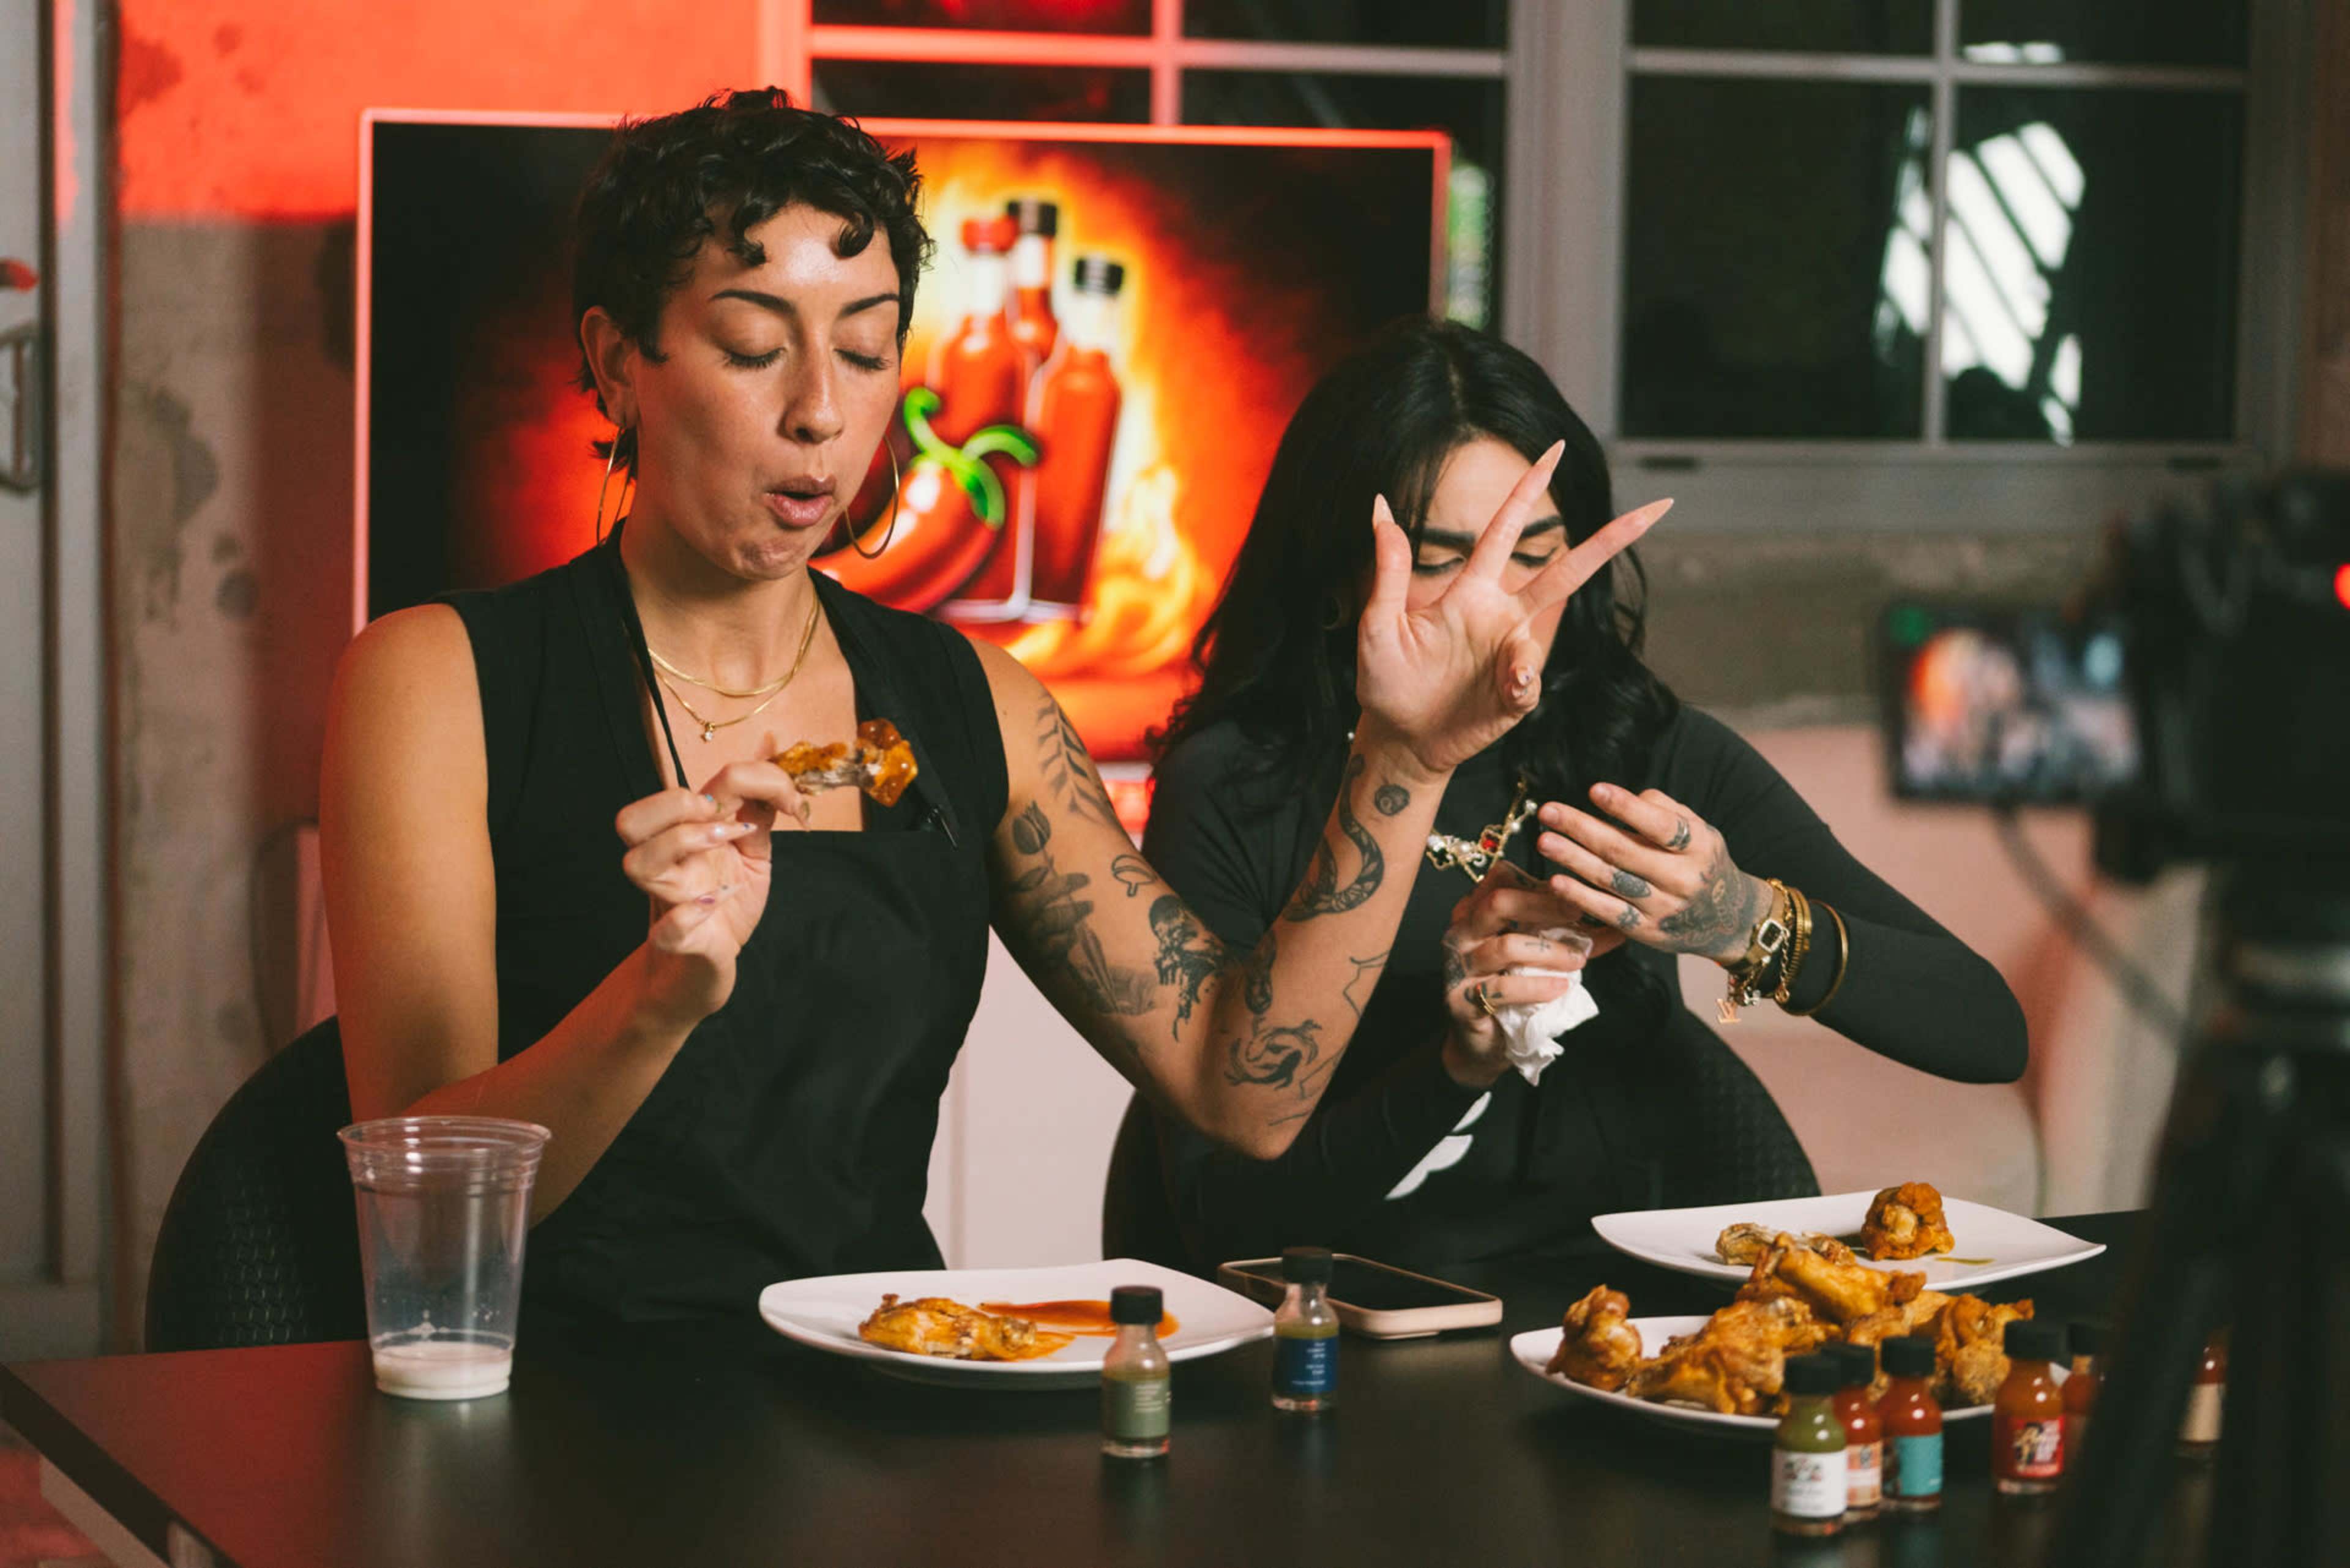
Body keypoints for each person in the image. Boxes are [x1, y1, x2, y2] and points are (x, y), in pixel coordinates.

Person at [316, 92, 1659, 1324]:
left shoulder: (971, 708)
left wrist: (1407, 760)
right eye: (749, 347)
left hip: (884, 1393)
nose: (819, 415)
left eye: (864, 347)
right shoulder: (437, 681)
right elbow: (425, 1224)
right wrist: (658, 1000)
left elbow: (1242, 1091)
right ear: (617, 364)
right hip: (544, 1411)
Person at [1131, 319, 2027, 1273]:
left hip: (1622, 1319)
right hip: (1343, 1325)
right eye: (1442, 562)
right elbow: (1221, 1220)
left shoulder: (1637, 747)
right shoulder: (1235, 788)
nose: (1499, 608)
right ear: (1336, 582)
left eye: (1535, 556)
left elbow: (1985, 1027)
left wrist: (1747, 922)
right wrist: (1455, 1066)